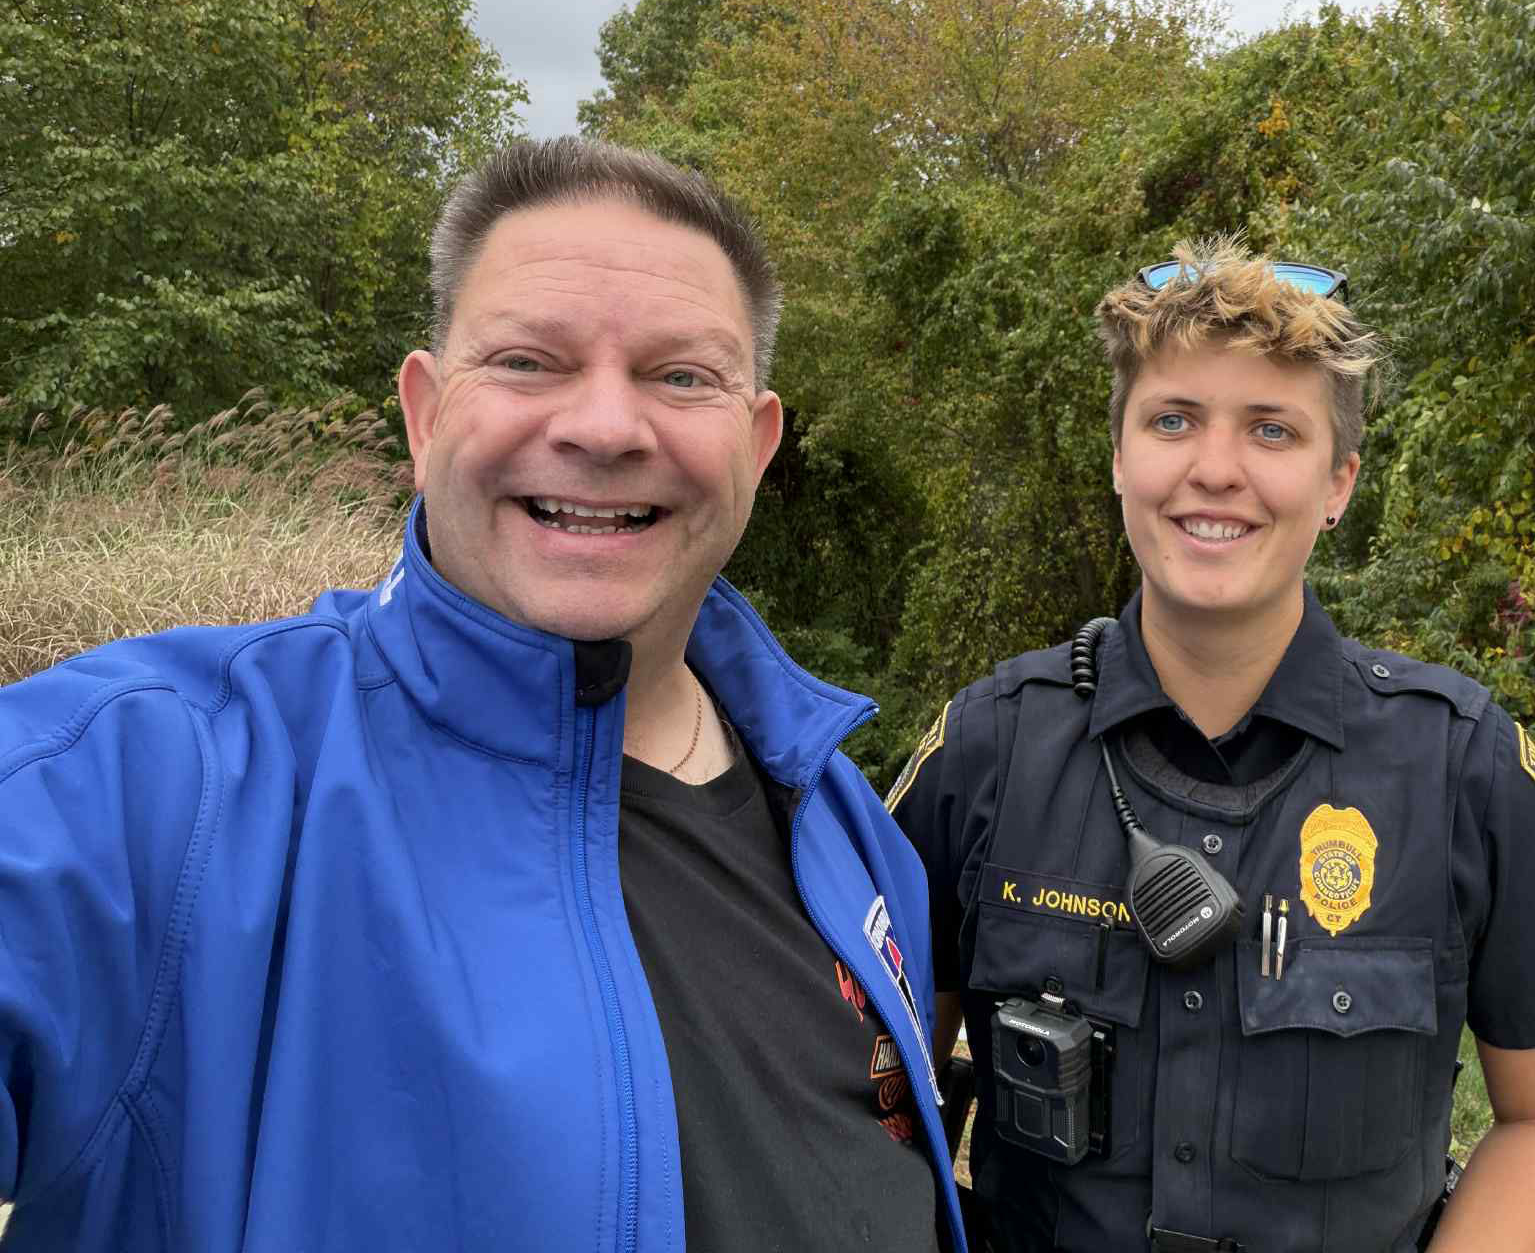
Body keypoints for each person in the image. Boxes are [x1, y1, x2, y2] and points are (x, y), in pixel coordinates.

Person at [0, 138, 968, 1253]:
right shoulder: (165, 784)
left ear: (755, 444)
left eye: (681, 375)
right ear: (423, 416)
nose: (605, 426)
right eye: (526, 360)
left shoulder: (848, 829)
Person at [886, 238, 1535, 1253]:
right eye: (1172, 418)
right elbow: (870, 1092)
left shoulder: (1465, 766)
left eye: (1271, 429)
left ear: (1338, 480)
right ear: (1119, 455)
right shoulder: (983, 749)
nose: (1215, 468)